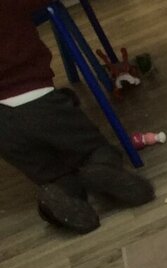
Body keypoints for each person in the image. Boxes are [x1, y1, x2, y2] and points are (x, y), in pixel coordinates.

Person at [0, 0, 154, 233]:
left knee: (54, 175)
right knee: (95, 149)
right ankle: (100, 168)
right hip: (40, 102)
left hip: (4, 130)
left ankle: (57, 194)